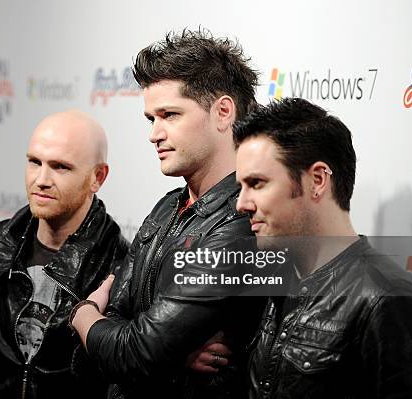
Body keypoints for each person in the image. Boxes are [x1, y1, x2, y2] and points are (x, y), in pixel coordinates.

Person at [70, 29, 265, 398]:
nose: (154, 134)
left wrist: (82, 314)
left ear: (223, 112)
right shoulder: (166, 207)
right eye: (151, 119)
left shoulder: (243, 220)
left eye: (170, 115)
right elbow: (123, 337)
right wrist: (168, 353)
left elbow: (135, 352)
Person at [234, 98, 412, 398]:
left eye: (257, 183)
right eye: (241, 186)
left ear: (317, 180)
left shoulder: (384, 299)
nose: (241, 204)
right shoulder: (275, 277)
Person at [0, 110, 129, 399]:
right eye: (34, 162)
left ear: (97, 177)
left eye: (60, 167)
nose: (41, 179)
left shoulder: (120, 264)